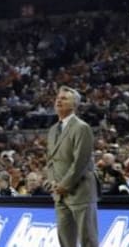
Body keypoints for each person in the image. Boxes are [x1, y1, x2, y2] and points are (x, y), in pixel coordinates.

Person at [46, 86, 99, 247]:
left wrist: (64, 185)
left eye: (64, 98)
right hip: (59, 194)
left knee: (87, 239)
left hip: (80, 191)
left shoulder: (81, 127)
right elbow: (50, 160)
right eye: (58, 98)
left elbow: (81, 162)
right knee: (65, 241)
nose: (58, 100)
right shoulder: (53, 129)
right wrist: (52, 181)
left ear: (74, 105)